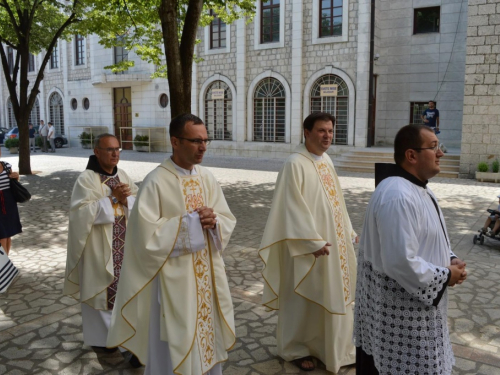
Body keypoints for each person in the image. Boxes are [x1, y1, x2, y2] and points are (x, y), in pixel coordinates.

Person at [107, 113, 236, 375]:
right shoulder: (156, 181)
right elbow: (145, 237)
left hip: (206, 278)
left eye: (205, 140)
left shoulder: (207, 177)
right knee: (173, 347)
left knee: (207, 336)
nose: (203, 147)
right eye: (195, 140)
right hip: (171, 284)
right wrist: (190, 225)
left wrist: (214, 222)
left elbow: (225, 217)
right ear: (175, 141)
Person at [354, 124, 467, 375]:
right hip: (402, 320)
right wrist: (447, 275)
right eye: (433, 147)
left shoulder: (420, 189)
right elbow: (400, 261)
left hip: (419, 313)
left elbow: (430, 237)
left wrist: (451, 259)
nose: (441, 153)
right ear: (411, 155)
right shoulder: (398, 195)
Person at [258, 112, 358, 372]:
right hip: (305, 249)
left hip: (332, 245)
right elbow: (291, 207)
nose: (327, 136)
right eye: (321, 131)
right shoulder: (295, 163)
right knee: (303, 301)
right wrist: (310, 242)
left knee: (329, 293)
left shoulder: (327, 161)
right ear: (307, 132)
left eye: (330, 131)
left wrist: (347, 229)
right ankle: (296, 349)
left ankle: (329, 348)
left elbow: (337, 202)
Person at [63, 134, 139, 361]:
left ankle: (127, 341)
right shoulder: (86, 179)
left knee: (125, 292)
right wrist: (112, 199)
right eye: (109, 150)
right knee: (102, 292)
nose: (115, 154)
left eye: (118, 149)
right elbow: (80, 214)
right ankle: (105, 340)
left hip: (124, 246)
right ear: (96, 152)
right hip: (99, 248)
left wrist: (127, 201)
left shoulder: (123, 175)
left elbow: (138, 201)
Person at [0, 148, 22, 255]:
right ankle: (3, 264)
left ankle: (6, 261)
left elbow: (13, 183)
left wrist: (16, 176)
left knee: (8, 235)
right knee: (2, 237)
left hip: (9, 203)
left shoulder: (7, 166)